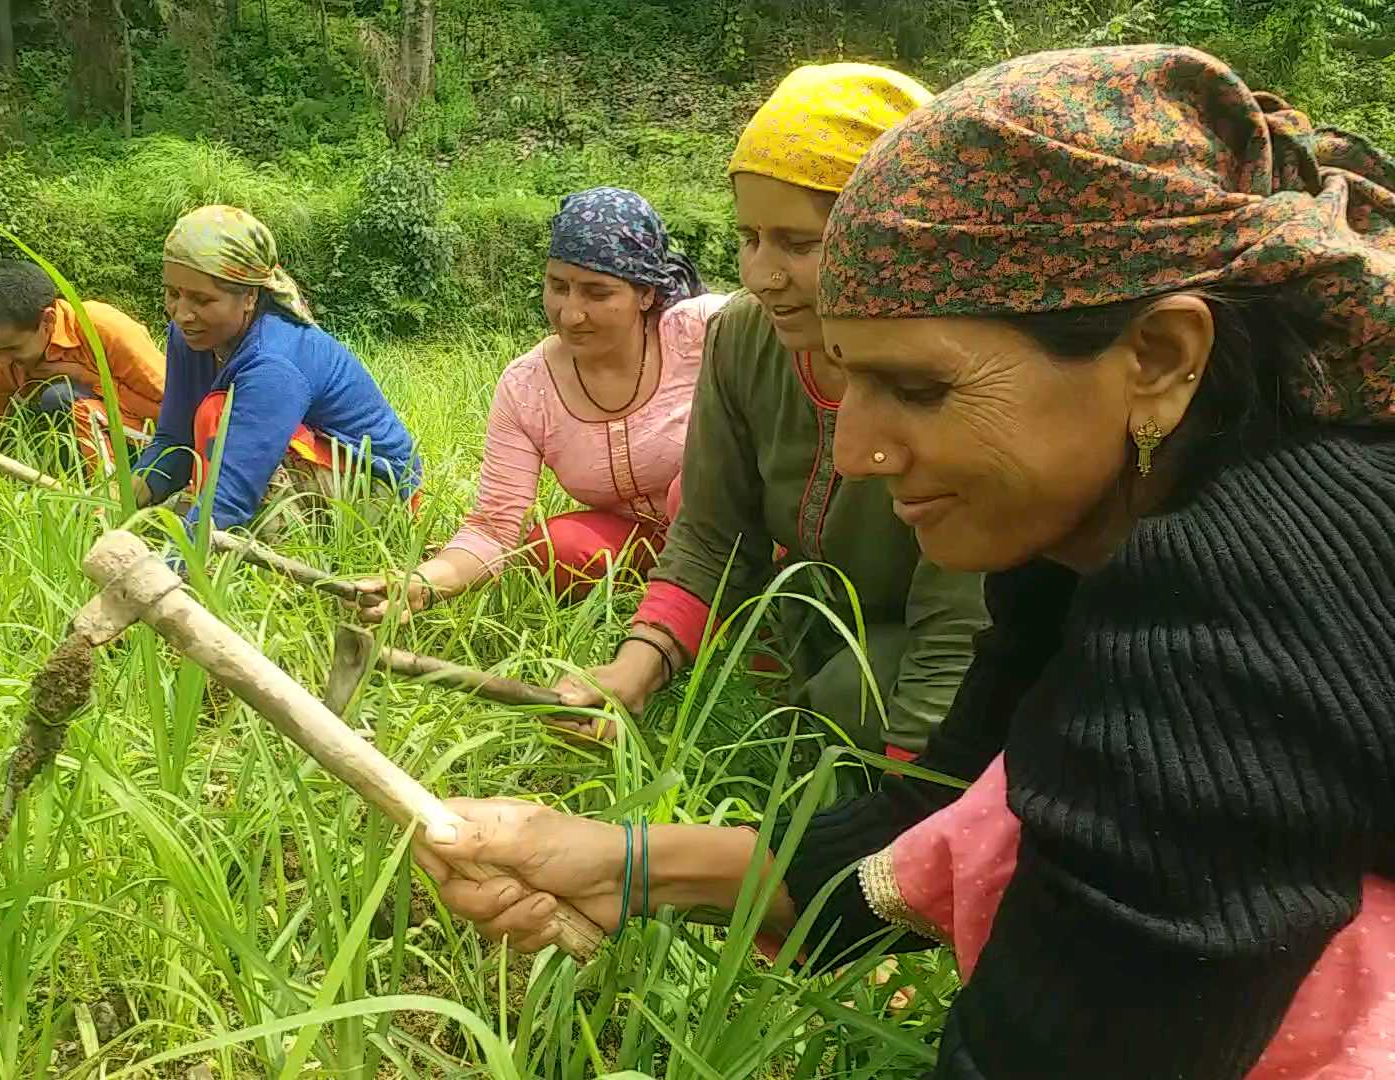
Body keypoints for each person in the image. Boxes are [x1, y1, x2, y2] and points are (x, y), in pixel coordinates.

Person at [417, 45, 1395, 1077]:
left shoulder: (1229, 611)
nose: (854, 453)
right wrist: (620, 863)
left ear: (1155, 356)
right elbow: (944, 805)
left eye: (921, 390)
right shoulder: (1086, 517)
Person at [552, 65, 988, 759]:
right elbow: (711, 534)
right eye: (750, 238)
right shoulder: (744, 337)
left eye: (799, 244)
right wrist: (628, 673)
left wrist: (909, 808)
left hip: (948, 642)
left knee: (851, 693)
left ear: (893, 237)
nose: (760, 274)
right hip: (810, 616)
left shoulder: (961, 373)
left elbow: (958, 620)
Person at [348, 188, 727, 613]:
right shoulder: (527, 386)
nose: (570, 314)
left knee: (690, 489)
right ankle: (655, 593)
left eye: (597, 293)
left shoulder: (701, 331)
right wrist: (421, 583)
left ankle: (730, 606)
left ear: (646, 294)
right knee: (555, 548)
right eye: (558, 286)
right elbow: (494, 528)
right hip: (635, 538)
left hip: (733, 530)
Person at [130, 205, 421, 534]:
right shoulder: (190, 336)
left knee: (217, 414)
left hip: (374, 489)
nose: (181, 314)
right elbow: (173, 440)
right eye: (173, 293)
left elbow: (229, 496)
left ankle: (274, 549)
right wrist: (122, 501)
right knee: (154, 523)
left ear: (250, 297)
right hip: (289, 464)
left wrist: (175, 567)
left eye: (201, 300)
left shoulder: (273, 361)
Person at [0, 258, 166, 471]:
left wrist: (88, 377)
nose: (1, 361)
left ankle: (110, 491)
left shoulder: (101, 328)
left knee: (61, 395)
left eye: (12, 349)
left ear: (47, 321)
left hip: (153, 446)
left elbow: (174, 409)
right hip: (86, 446)